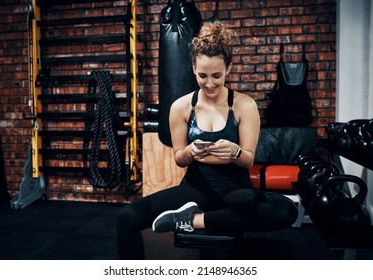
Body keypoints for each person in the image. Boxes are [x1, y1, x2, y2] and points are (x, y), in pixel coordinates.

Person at [116, 21, 298, 259]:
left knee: (285, 210)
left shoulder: (244, 105)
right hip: (196, 187)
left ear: (229, 69)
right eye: (202, 75)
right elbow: (180, 159)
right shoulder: (181, 107)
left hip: (236, 189)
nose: (210, 83)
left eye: (217, 75)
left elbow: (247, 160)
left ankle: (192, 220)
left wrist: (234, 152)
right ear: (193, 67)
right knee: (126, 217)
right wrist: (190, 151)